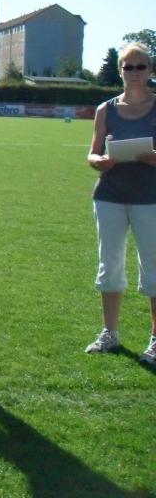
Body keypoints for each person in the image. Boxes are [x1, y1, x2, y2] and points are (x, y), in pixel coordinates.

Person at [84, 42, 156, 366]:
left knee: (153, 269)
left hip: (150, 198)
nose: (134, 72)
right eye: (128, 67)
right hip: (110, 196)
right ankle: (110, 333)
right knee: (109, 266)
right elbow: (92, 153)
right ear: (120, 71)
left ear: (150, 70)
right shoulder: (106, 109)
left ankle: (155, 340)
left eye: (141, 67)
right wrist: (99, 161)